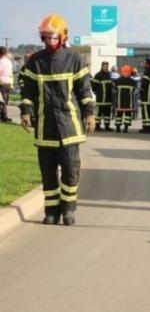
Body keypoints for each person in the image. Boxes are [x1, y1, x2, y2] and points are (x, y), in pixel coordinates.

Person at [19, 13, 95, 225]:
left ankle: (69, 209)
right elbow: (28, 90)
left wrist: (89, 113)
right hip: (45, 126)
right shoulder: (36, 61)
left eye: (54, 36)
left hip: (69, 125)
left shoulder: (74, 59)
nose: (50, 41)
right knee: (48, 173)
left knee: (71, 169)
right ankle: (51, 211)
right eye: (46, 37)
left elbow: (84, 90)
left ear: (63, 36)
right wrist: (25, 111)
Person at [90, 61, 114, 132]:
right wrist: (96, 93)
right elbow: (93, 85)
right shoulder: (98, 75)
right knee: (98, 113)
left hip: (108, 99)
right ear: (102, 66)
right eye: (105, 66)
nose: (106, 68)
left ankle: (107, 126)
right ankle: (97, 126)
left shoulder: (109, 74)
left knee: (107, 113)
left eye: (107, 66)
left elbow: (111, 85)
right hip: (101, 99)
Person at [114, 65, 136, 133]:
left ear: (122, 71)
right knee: (127, 115)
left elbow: (114, 90)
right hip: (129, 102)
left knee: (119, 114)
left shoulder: (117, 81)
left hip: (119, 101)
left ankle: (118, 127)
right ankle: (126, 128)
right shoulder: (133, 82)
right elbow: (134, 91)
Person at [0, 46, 13, 122]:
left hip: (2, 83)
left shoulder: (1, 62)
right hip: (8, 83)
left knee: (1, 101)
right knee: (4, 101)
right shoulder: (9, 62)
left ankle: (4, 117)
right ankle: (4, 117)